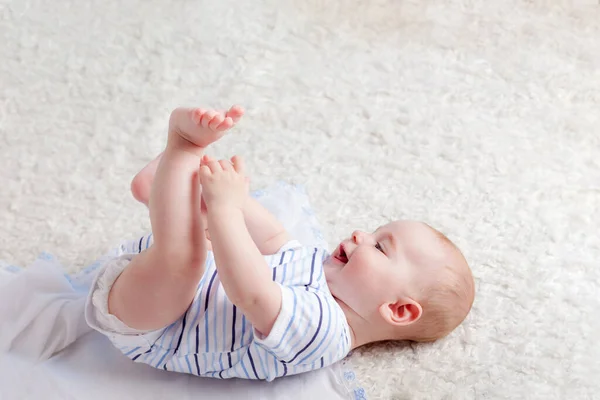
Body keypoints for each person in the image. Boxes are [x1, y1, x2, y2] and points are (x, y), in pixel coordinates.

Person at [85, 105, 475, 381]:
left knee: (190, 255)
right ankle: (164, 186)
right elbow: (272, 239)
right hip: (160, 284)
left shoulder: (324, 332)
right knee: (202, 239)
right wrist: (233, 200)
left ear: (398, 310)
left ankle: (183, 148)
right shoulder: (319, 271)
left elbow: (251, 292)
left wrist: (223, 210)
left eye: (379, 247)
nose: (360, 235)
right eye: (374, 230)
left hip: (155, 325)